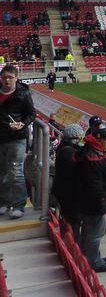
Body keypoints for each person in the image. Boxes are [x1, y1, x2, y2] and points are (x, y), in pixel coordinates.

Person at [75, 125, 106, 273]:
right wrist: (102, 202)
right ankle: (94, 263)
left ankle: (92, 257)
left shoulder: (88, 153)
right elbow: (94, 184)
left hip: (87, 201)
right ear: (98, 140)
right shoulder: (92, 157)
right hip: (94, 204)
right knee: (94, 234)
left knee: (89, 232)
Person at [0, 63, 35, 218]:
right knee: (2, 173)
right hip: (1, 137)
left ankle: (19, 206)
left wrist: (22, 124)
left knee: (16, 172)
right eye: (4, 77)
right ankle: (4, 203)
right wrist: (7, 125)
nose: (7, 80)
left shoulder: (23, 94)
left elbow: (31, 114)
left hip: (17, 138)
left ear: (16, 78)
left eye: (10, 77)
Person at [52, 124, 83, 237]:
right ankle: (74, 247)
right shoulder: (69, 153)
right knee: (73, 222)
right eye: (79, 137)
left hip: (62, 190)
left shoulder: (63, 148)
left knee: (68, 219)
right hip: (69, 193)